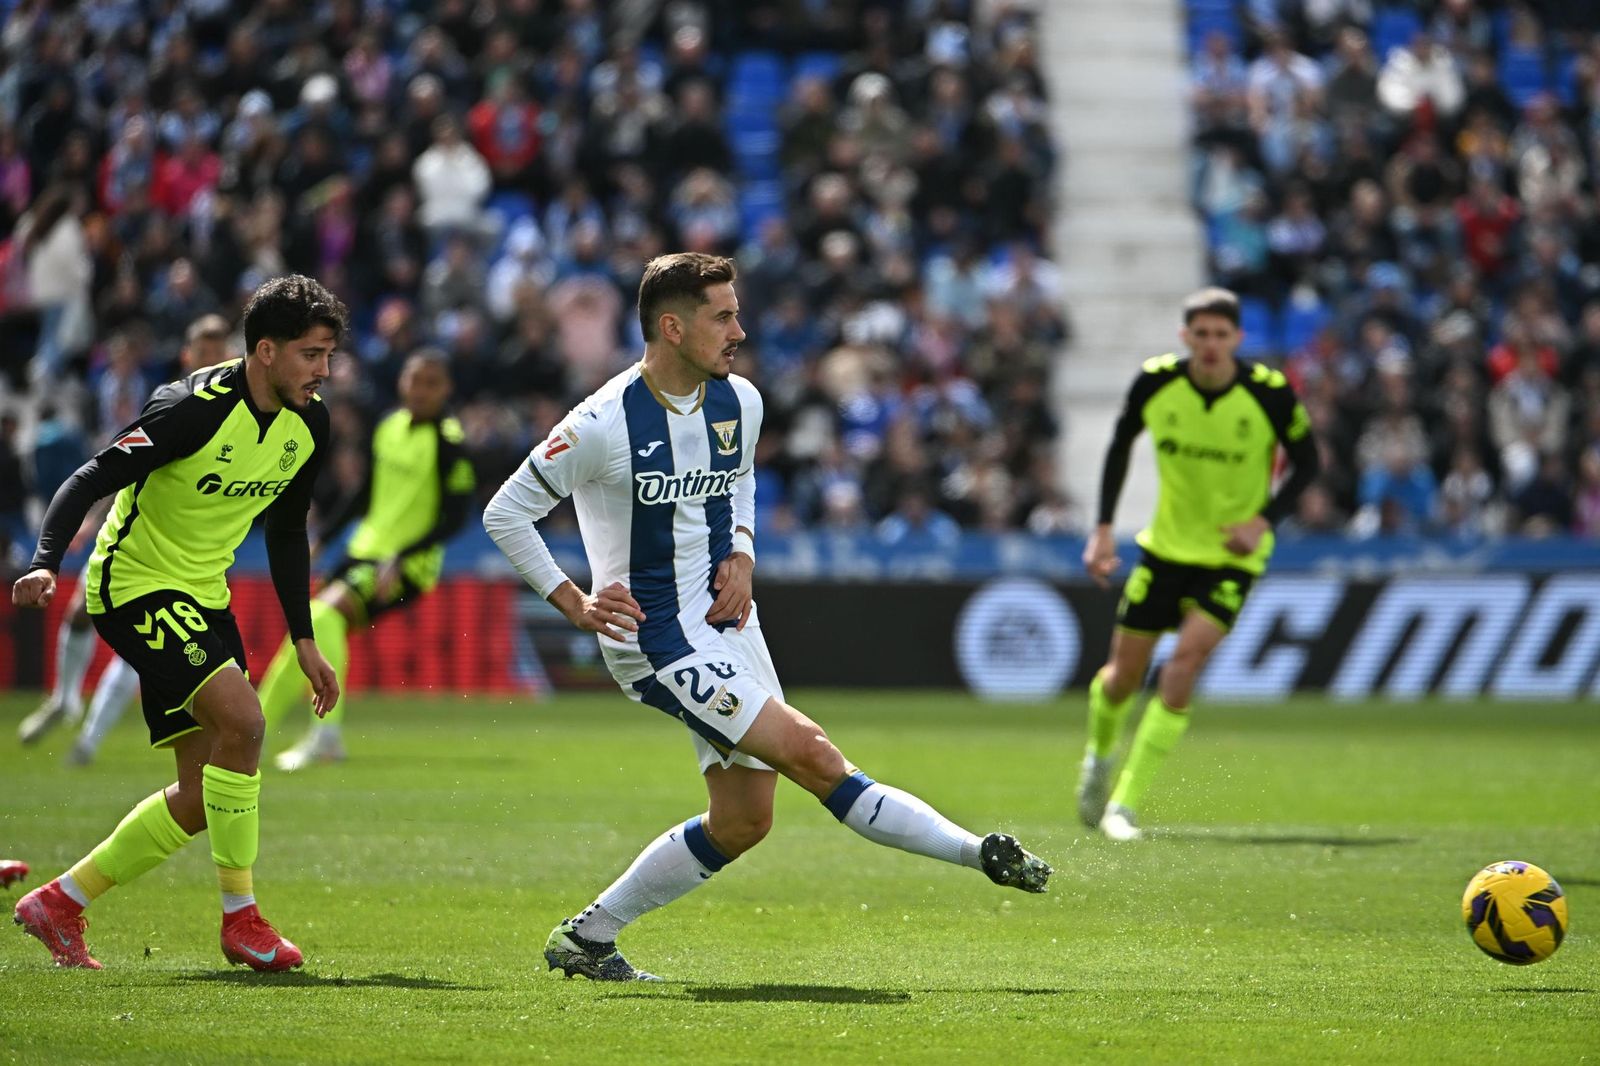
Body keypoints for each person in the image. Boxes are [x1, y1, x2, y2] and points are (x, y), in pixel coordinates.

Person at [484, 253, 1051, 982]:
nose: (739, 330)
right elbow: (507, 512)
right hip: (656, 641)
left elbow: (741, 479)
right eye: (722, 316)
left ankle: (587, 939)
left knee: (745, 820)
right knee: (813, 753)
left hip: (726, 622)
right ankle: (979, 853)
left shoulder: (739, 402)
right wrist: (573, 600)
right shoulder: (600, 423)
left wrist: (744, 552)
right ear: (672, 325)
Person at [10, 276, 343, 971]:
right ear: (265, 351)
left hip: (201, 594)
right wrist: (46, 562)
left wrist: (304, 640)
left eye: (328, 355)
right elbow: (89, 477)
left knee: (200, 797)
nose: (325, 371)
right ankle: (241, 920)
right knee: (247, 724)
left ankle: (60, 903)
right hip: (131, 585)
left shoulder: (308, 424)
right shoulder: (190, 409)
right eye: (311, 355)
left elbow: (287, 535)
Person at [1077, 288, 1319, 841]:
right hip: (1164, 550)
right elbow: (1120, 444)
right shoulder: (1157, 382)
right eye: (1201, 335)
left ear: (1238, 339)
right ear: (1185, 338)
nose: (1211, 345)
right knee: (1121, 681)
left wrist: (1263, 520)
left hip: (1232, 559)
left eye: (1221, 335)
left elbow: (1309, 464)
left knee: (1182, 665)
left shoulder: (1270, 394)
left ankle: (1124, 806)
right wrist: (1104, 529)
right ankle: (1097, 759)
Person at [19, 315, 235, 764]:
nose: (215, 362)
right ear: (188, 356)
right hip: (133, 528)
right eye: (206, 353)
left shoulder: (238, 410)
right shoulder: (175, 402)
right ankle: (65, 699)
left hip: (191, 551)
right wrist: (91, 519)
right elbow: (124, 466)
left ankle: (89, 741)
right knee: (82, 612)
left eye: (221, 353)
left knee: (141, 651)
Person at [261, 349, 476, 770]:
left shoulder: (450, 444)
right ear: (403, 383)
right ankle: (252, 728)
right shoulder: (390, 427)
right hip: (362, 550)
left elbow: (455, 518)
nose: (421, 390)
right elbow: (365, 494)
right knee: (305, 635)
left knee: (320, 619)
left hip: (403, 568)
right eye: (415, 380)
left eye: (432, 383)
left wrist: (404, 554)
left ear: (446, 389)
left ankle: (325, 736)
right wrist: (323, 537)